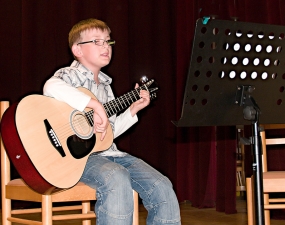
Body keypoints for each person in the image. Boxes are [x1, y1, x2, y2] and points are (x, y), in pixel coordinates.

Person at [43, 18, 181, 225]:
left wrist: (133, 110)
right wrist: (94, 105)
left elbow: (109, 133)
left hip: (110, 154)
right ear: (77, 50)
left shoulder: (106, 86)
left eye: (108, 41)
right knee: (116, 177)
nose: (105, 46)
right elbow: (50, 87)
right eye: (96, 41)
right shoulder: (69, 75)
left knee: (161, 185)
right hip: (79, 159)